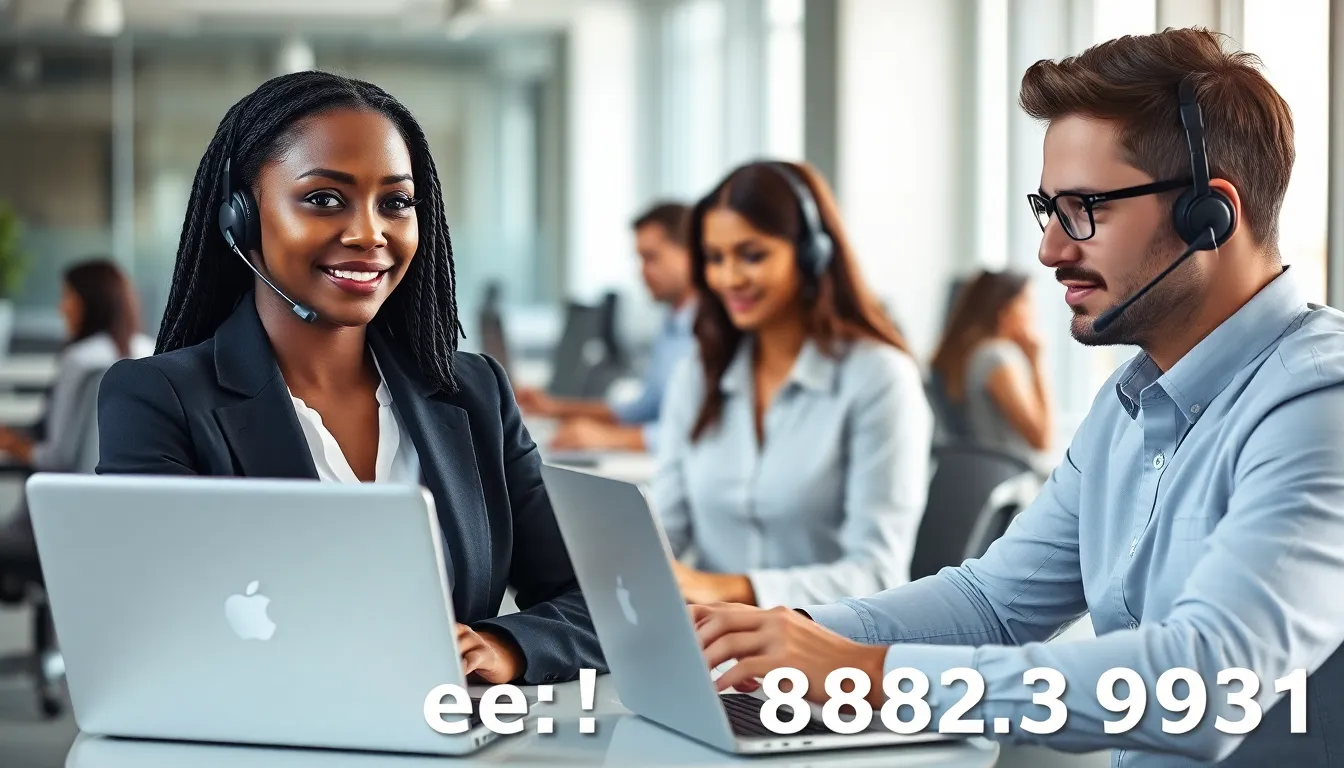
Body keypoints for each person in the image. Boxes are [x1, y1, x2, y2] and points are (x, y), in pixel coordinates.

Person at [688, 29, 1344, 766]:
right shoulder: (1129, 405)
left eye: (1085, 208)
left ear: (1209, 215)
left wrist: (866, 674)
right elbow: (992, 604)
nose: (1050, 249)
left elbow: (1206, 683)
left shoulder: (1321, 406)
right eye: (1048, 208)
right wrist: (779, 634)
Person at [94, 71, 605, 686]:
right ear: (241, 219)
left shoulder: (473, 394)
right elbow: (148, 635)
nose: (369, 233)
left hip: (450, 730)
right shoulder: (159, 399)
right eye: (324, 199)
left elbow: (593, 602)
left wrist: (504, 647)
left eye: (396, 202)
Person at [651, 160, 932, 609]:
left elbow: (878, 572)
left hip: (823, 639)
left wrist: (727, 589)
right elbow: (667, 530)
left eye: (752, 255)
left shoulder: (879, 379)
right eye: (715, 258)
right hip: (707, 636)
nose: (729, 278)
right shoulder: (698, 375)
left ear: (811, 254)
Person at [0, 258, 154, 590]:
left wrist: (12, 444)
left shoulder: (80, 359)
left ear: (90, 302)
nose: (61, 309)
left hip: (59, 522)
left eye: (67, 297)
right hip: (133, 525)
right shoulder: (151, 350)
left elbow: (58, 459)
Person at [515, 202, 696, 452]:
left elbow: (701, 431)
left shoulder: (715, 329)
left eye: (651, 257)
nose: (642, 272)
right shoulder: (671, 324)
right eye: (640, 259)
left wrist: (612, 438)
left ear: (690, 254)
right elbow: (644, 409)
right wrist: (555, 408)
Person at [929, 268, 1051, 464]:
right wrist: (1036, 361)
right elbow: (1042, 439)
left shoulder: (965, 355)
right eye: (1026, 301)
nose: (1034, 312)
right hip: (1011, 472)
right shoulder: (997, 358)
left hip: (979, 471)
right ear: (1004, 308)